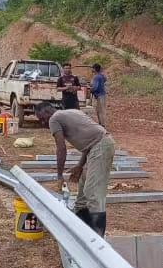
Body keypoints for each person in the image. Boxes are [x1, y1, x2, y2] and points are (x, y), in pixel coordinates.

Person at [34, 101, 115, 236]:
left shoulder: (54, 119)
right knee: (82, 195)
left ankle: (98, 240)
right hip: (98, 146)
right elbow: (89, 141)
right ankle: (81, 231)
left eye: (42, 118)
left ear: (47, 112)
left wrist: (59, 176)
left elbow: (61, 148)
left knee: (92, 193)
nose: (43, 123)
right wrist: (79, 166)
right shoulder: (71, 112)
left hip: (101, 147)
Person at [89, 63, 108, 127]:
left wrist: (90, 89)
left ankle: (102, 124)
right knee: (101, 110)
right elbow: (105, 80)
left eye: (92, 68)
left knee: (100, 110)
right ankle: (102, 123)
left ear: (94, 69)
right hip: (102, 94)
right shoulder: (102, 76)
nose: (91, 69)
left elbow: (95, 87)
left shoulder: (96, 77)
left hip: (99, 95)